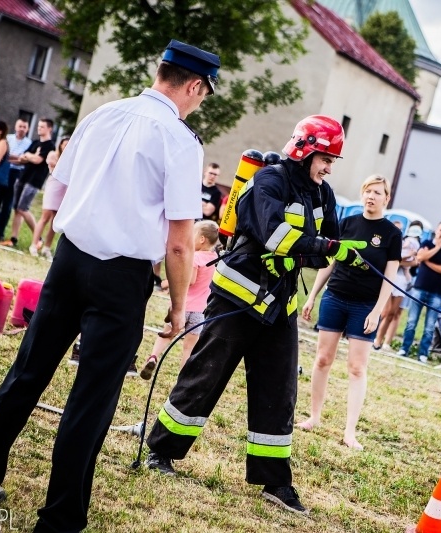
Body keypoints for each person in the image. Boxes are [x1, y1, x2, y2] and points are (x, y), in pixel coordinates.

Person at [0, 40, 220, 532]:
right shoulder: (180, 141)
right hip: (120, 276)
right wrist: (179, 307)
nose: (200, 103)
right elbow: (181, 242)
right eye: (203, 95)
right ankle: (60, 519)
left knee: (27, 374)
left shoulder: (103, 114)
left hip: (70, 260)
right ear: (195, 85)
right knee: (91, 399)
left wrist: (52, 228)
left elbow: (61, 182)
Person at [145, 114, 362, 515]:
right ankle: (161, 451)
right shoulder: (269, 181)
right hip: (237, 298)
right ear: (306, 150)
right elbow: (275, 235)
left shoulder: (324, 194)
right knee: (205, 376)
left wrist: (339, 250)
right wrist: (327, 246)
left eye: (333, 160)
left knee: (279, 391)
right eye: (326, 158)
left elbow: (321, 242)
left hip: (280, 304)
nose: (330, 167)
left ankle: (275, 481)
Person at [297, 174, 401, 450]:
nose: (372, 196)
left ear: (386, 198)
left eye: (378, 192)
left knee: (357, 368)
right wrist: (312, 296)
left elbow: (389, 279)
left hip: (365, 306)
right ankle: (314, 417)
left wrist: (377, 311)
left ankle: (350, 432)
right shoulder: (347, 223)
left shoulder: (392, 234)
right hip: (335, 297)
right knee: (322, 360)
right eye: (368, 190)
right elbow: (329, 263)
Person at [140, 219, 219, 377]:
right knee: (189, 348)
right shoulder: (214, 258)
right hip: (200, 311)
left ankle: (153, 357)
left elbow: (190, 280)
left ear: (202, 239)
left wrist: (167, 283)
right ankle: (182, 379)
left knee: (166, 334)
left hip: (183, 306)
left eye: (193, 234)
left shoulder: (195, 257)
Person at [396, 221, 441, 361]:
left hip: (436, 293)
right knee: (411, 322)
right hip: (419, 288)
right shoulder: (427, 243)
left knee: (429, 327)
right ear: (436, 230)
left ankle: (423, 354)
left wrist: (428, 262)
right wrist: (437, 248)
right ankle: (404, 349)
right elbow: (420, 257)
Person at [0, 118, 55, 248]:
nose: (39, 128)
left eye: (42, 127)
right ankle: (13, 239)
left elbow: (37, 160)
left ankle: (39, 238)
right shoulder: (35, 142)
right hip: (23, 177)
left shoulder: (49, 146)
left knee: (23, 208)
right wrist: (29, 156)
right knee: (17, 210)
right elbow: (22, 157)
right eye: (39, 126)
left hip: (34, 181)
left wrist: (30, 156)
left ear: (49, 129)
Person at [373, 220, 421, 350]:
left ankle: (380, 340)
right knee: (385, 311)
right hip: (390, 278)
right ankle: (372, 336)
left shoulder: (412, 244)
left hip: (402, 280)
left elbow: (408, 263)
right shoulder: (398, 243)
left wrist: (412, 260)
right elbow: (394, 261)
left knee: (392, 314)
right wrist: (408, 256)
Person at [0, 118, 31, 240]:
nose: (21, 129)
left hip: (17, 174)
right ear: (15, 127)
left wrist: (11, 158)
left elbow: (24, 160)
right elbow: (3, 156)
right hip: (3, 171)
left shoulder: (29, 143)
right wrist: (17, 158)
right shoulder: (8, 139)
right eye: (20, 126)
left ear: (27, 129)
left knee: (7, 205)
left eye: (24, 127)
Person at [30, 136, 70, 259]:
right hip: (54, 186)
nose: (66, 147)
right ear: (60, 145)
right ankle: (34, 244)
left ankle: (47, 247)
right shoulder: (53, 154)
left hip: (65, 188)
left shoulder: (72, 158)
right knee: (45, 216)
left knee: (55, 220)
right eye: (64, 144)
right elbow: (55, 167)